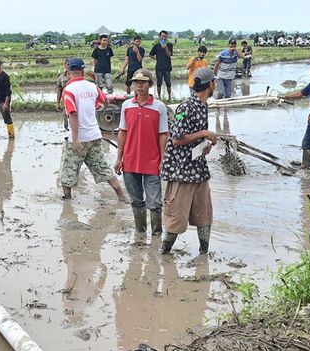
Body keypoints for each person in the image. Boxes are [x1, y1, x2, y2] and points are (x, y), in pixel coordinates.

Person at [161, 66, 217, 255]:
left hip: (198, 167)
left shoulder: (204, 106)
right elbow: (176, 139)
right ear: (211, 84)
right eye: (214, 82)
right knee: (176, 215)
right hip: (181, 170)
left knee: (204, 213)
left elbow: (193, 138)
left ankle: (204, 253)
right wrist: (203, 133)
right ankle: (164, 253)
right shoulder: (185, 107)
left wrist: (204, 145)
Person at [58, 57, 127, 202]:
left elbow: (73, 115)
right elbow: (106, 102)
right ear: (83, 70)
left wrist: (76, 139)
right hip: (95, 136)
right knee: (102, 167)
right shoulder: (92, 87)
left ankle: (67, 200)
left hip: (78, 139)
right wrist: (98, 107)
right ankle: (121, 196)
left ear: (69, 70)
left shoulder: (69, 90)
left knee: (68, 169)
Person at [114, 69, 169, 242]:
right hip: (130, 161)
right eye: (136, 82)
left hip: (152, 162)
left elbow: (163, 134)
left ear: (150, 85)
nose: (139, 85)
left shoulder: (159, 107)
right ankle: (140, 233)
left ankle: (157, 235)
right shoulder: (126, 105)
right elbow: (122, 132)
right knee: (136, 200)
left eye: (143, 82)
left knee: (154, 202)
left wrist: (163, 159)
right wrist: (119, 158)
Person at [148, 30, 174, 100]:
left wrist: (165, 47)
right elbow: (150, 55)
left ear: (167, 37)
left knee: (168, 82)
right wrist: (157, 58)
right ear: (160, 37)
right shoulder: (156, 46)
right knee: (159, 82)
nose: (164, 38)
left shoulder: (169, 45)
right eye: (162, 36)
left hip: (167, 67)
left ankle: (169, 97)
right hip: (159, 67)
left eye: (165, 36)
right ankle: (159, 97)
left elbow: (169, 55)